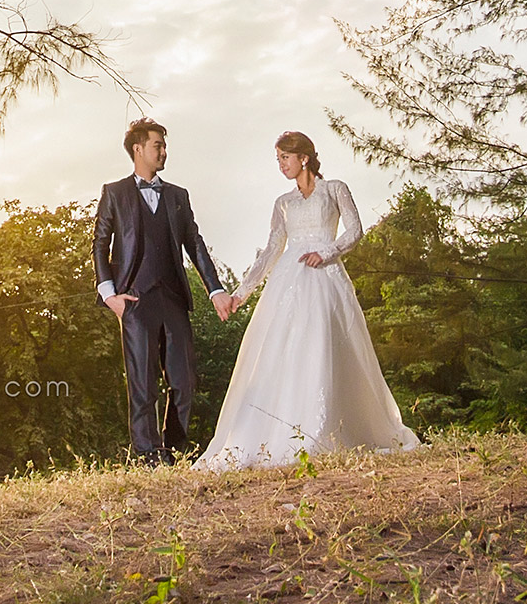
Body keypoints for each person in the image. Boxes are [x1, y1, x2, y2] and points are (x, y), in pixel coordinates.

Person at [193, 131, 421, 470]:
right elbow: (272, 249)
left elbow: (355, 230)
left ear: (304, 158)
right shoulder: (283, 203)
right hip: (289, 280)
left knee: (325, 344)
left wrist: (327, 252)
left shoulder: (335, 189)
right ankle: (285, 431)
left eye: (285, 157)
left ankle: (334, 427)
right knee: (284, 349)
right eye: (278, 159)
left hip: (325, 276)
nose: (281, 164)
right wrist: (242, 293)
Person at [91, 118, 231, 462]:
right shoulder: (115, 193)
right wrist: (110, 296)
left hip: (173, 298)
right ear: (138, 149)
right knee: (143, 383)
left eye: (165, 146)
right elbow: (100, 243)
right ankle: (148, 455)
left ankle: (176, 449)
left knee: (184, 381)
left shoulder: (177, 196)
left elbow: (194, 244)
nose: (164, 152)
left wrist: (215, 289)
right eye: (158, 145)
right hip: (134, 299)